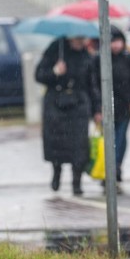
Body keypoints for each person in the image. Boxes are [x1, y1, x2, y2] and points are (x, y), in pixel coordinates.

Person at [35, 34, 99, 196]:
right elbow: (39, 75)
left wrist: (97, 109)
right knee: (57, 143)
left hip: (78, 105)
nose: (80, 42)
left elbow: (92, 85)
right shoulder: (55, 50)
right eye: (77, 39)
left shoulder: (87, 56)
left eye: (82, 39)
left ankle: (76, 182)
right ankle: (56, 173)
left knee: (79, 145)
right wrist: (55, 72)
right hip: (56, 104)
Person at [91, 25, 130, 188]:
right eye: (112, 42)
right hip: (105, 108)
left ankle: (116, 167)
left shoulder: (129, 58)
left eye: (118, 41)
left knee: (121, 138)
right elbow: (93, 85)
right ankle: (108, 170)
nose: (115, 45)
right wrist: (97, 108)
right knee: (108, 139)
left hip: (125, 106)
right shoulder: (98, 60)